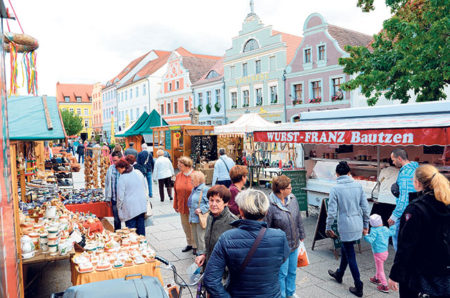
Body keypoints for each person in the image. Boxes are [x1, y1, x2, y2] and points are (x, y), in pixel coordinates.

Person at [204, 189, 290, 297]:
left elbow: (210, 280)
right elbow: (281, 265)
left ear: (240, 211)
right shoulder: (280, 237)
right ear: (266, 211)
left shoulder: (227, 238)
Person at [388, 164, 450, 297]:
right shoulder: (447, 203)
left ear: (417, 182)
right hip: (444, 273)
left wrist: (395, 275)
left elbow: (406, 246)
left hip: (418, 275)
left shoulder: (416, 209)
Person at [327, 161, 370, 297]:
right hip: (357, 223)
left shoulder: (335, 188)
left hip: (345, 225)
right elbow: (365, 207)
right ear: (349, 172)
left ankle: (358, 284)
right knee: (347, 248)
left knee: (350, 254)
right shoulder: (358, 186)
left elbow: (332, 212)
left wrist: (328, 227)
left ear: (337, 174)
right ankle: (339, 274)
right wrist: (365, 225)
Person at [266, 175, 305, 298]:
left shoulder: (292, 198)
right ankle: (281, 295)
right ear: (281, 190)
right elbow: (266, 227)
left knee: (292, 271)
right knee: (282, 274)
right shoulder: (269, 205)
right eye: (289, 187)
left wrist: (302, 234)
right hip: (280, 247)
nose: (291, 189)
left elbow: (298, 217)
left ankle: (290, 293)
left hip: (294, 242)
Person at [195, 185, 238, 267]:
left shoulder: (233, 222)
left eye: (218, 201)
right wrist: (204, 255)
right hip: (210, 267)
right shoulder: (210, 217)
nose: (213, 204)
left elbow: (236, 253)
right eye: (211, 200)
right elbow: (209, 243)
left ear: (225, 203)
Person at [388, 149, 419, 250]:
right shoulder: (416, 168)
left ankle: (401, 264)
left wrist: (394, 216)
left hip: (405, 212)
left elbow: (404, 198)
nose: (393, 162)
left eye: (393, 160)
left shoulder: (405, 174)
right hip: (416, 210)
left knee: (398, 242)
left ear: (399, 158)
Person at [363, 214, 396, 293]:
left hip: (378, 253)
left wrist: (365, 234)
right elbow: (392, 232)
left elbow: (370, 240)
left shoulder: (374, 230)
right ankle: (376, 278)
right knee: (379, 266)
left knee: (380, 269)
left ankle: (385, 286)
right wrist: (392, 225)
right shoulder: (385, 228)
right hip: (385, 252)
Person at [115, 159, 148, 236]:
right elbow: (145, 187)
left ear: (122, 168)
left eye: (118, 169)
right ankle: (143, 244)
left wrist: (119, 208)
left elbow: (120, 197)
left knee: (131, 232)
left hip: (130, 208)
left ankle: (134, 246)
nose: (118, 171)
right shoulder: (138, 172)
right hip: (141, 205)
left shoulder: (122, 178)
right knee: (141, 229)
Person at [173, 156, 195, 253]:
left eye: (180, 166)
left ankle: (196, 245)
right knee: (185, 226)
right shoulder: (178, 176)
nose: (178, 167)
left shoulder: (196, 175)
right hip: (182, 205)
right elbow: (176, 191)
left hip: (193, 207)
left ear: (187, 166)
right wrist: (175, 205)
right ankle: (189, 243)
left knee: (193, 226)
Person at [187, 171, 209, 256]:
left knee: (201, 239)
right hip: (193, 218)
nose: (191, 181)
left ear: (198, 180)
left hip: (200, 218)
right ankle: (199, 255)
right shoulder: (194, 189)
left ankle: (203, 256)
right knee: (196, 239)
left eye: (192, 180)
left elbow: (210, 203)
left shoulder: (205, 189)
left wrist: (201, 209)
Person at [105, 151, 123, 230]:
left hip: (124, 198)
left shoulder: (125, 168)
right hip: (114, 198)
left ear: (120, 159)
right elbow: (107, 184)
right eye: (113, 160)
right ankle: (118, 233)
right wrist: (107, 197)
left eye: (116, 160)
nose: (114, 162)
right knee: (116, 219)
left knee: (128, 218)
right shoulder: (110, 168)